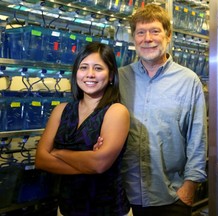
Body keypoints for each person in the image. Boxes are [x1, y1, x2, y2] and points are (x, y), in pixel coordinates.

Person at [118, 3, 207, 216]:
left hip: (171, 196)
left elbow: (198, 138)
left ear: (168, 36)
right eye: (141, 32)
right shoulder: (120, 78)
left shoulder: (188, 80)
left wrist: (190, 186)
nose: (147, 38)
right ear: (133, 39)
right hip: (123, 197)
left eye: (155, 31)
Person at [35, 42, 130, 216]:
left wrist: (58, 152)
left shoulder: (116, 111)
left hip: (108, 210)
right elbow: (40, 160)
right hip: (65, 209)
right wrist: (88, 162)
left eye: (98, 68)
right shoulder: (61, 110)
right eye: (84, 67)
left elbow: (99, 164)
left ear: (110, 76)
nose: (90, 74)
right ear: (76, 73)